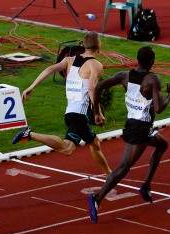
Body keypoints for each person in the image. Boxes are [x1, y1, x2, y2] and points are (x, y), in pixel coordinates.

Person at [87, 46, 170, 224]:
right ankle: (97, 198)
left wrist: (96, 111)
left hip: (135, 125)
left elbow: (97, 88)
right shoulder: (152, 79)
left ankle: (146, 185)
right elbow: (159, 108)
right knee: (123, 167)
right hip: (140, 129)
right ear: (151, 62)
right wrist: (169, 95)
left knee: (162, 145)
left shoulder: (123, 76)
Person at [12, 31, 111, 175]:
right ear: (99, 46)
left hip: (70, 112)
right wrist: (98, 112)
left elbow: (50, 69)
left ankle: (109, 173)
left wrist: (31, 87)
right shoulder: (95, 65)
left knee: (94, 142)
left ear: (83, 45)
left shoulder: (69, 60)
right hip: (79, 115)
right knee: (67, 148)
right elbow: (91, 88)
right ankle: (30, 134)